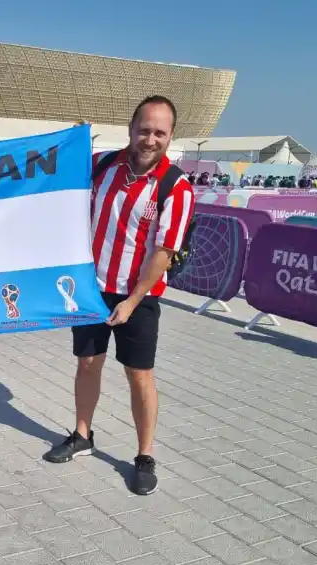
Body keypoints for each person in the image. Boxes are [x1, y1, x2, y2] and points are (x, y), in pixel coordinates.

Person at [43, 95, 195, 496]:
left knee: (139, 374)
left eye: (159, 132)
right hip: (92, 290)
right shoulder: (103, 165)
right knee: (87, 363)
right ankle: (82, 435)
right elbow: (58, 177)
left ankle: (144, 455)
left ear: (171, 136)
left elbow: (163, 252)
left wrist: (132, 301)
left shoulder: (176, 188)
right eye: (144, 130)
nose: (150, 139)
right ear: (130, 129)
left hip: (138, 297)